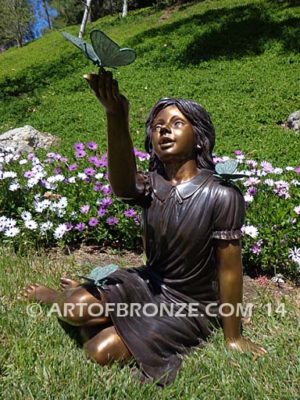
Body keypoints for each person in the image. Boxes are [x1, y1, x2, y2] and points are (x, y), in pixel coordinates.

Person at [23, 70, 267, 385]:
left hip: (189, 306)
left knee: (99, 351)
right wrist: (115, 115)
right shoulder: (152, 186)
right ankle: (62, 297)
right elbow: (122, 185)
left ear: (199, 137)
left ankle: (112, 322)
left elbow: (230, 271)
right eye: (157, 127)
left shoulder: (221, 195)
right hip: (148, 284)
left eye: (177, 124)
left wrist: (233, 337)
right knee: (73, 307)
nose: (165, 131)